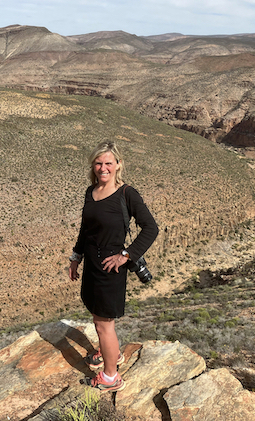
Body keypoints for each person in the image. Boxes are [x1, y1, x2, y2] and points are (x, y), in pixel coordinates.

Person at [69, 140, 159, 392]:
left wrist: (127, 255)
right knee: (97, 312)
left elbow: (151, 228)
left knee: (103, 323)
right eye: (98, 163)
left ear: (118, 165)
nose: (103, 168)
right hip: (92, 265)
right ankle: (112, 354)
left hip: (111, 268)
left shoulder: (127, 194)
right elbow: (86, 230)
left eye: (108, 163)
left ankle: (110, 377)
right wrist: (76, 257)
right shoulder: (91, 192)